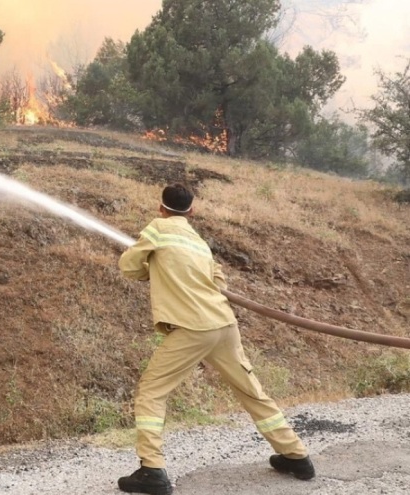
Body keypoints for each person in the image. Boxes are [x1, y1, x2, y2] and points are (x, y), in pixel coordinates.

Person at [116, 183, 314, 495]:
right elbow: (218, 280)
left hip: (192, 328)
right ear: (192, 211)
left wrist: (149, 267)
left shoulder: (158, 228)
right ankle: (296, 456)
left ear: (160, 208)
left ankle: (151, 469)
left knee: (151, 393)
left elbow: (128, 266)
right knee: (252, 391)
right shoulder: (198, 242)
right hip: (224, 325)